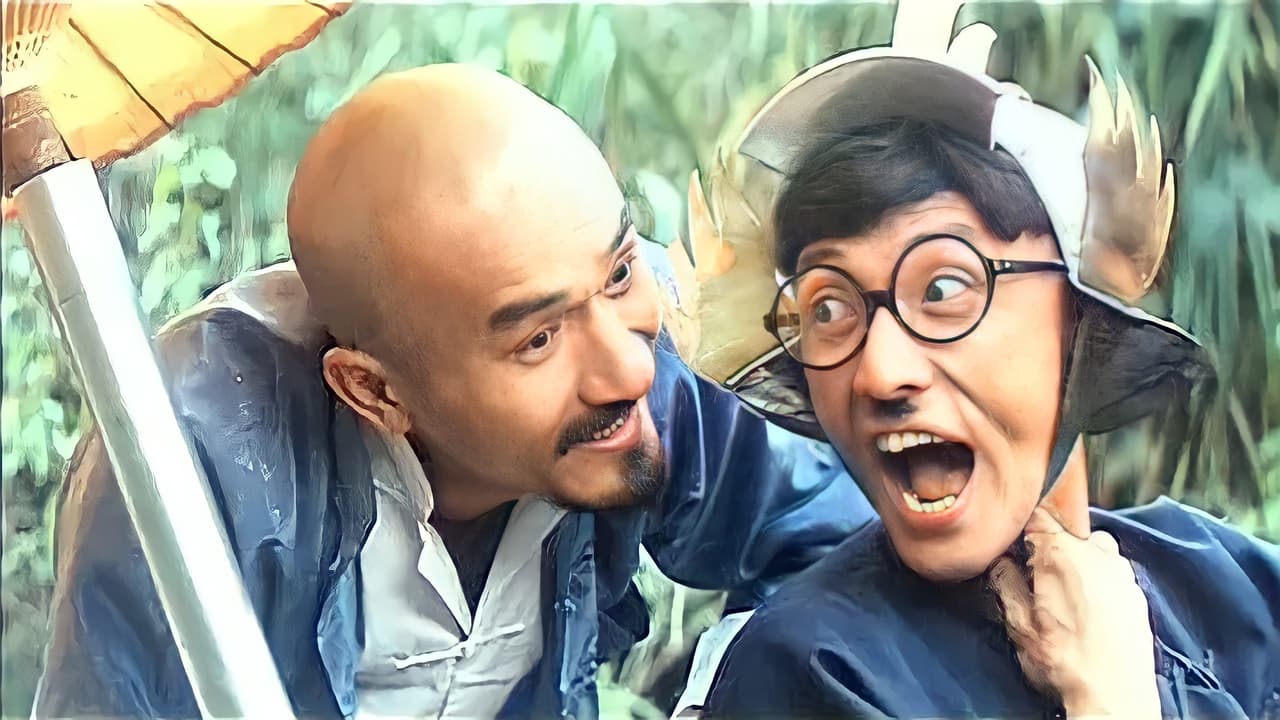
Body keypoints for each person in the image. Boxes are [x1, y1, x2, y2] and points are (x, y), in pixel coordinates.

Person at [32, 64, 873, 719]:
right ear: (374, 392)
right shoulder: (191, 461)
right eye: (538, 340)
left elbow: (835, 548)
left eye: (620, 272)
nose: (630, 372)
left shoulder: (642, 339)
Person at [681, 21, 1280, 720]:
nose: (879, 373)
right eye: (829, 309)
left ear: (1079, 322)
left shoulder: (1228, 585)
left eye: (943, 289)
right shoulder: (811, 673)